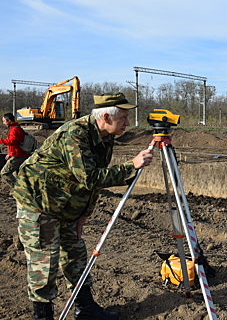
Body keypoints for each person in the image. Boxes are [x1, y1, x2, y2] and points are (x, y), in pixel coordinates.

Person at [13, 93, 154, 320]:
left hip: (66, 203)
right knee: (44, 262)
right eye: (125, 118)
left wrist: (83, 215)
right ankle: (42, 316)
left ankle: (85, 308)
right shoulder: (75, 135)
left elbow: (92, 183)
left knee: (75, 255)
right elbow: (90, 178)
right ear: (107, 117)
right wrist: (131, 166)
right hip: (39, 203)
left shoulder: (104, 136)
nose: (128, 123)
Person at [0, 112, 30, 187]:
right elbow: (16, 143)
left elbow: (12, 142)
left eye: (4, 121)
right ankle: (22, 190)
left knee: (4, 173)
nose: (3, 123)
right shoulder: (16, 128)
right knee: (17, 174)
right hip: (18, 154)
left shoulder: (14, 130)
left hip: (17, 155)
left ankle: (18, 190)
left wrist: (0, 140)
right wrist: (10, 154)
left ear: (9, 120)